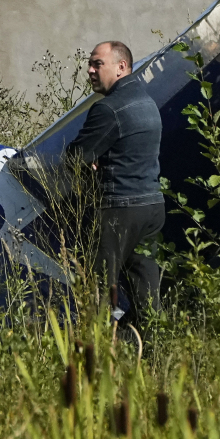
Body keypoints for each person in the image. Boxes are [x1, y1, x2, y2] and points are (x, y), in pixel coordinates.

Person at [70, 40, 164, 339]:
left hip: (118, 210)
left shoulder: (109, 109)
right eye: (90, 63)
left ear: (121, 67)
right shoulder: (149, 104)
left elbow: (75, 158)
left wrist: (90, 159)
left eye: (98, 64)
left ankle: (97, 354)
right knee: (147, 293)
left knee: (98, 292)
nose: (90, 70)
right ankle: (150, 352)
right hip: (151, 207)